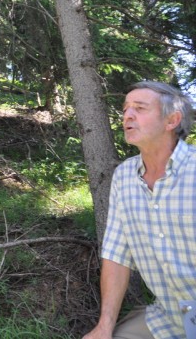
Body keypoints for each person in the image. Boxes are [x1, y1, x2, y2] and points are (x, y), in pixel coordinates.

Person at [83, 81, 196, 339]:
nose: (127, 115)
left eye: (140, 108)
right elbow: (116, 255)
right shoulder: (123, 176)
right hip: (167, 317)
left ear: (172, 120)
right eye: (125, 109)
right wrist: (104, 326)